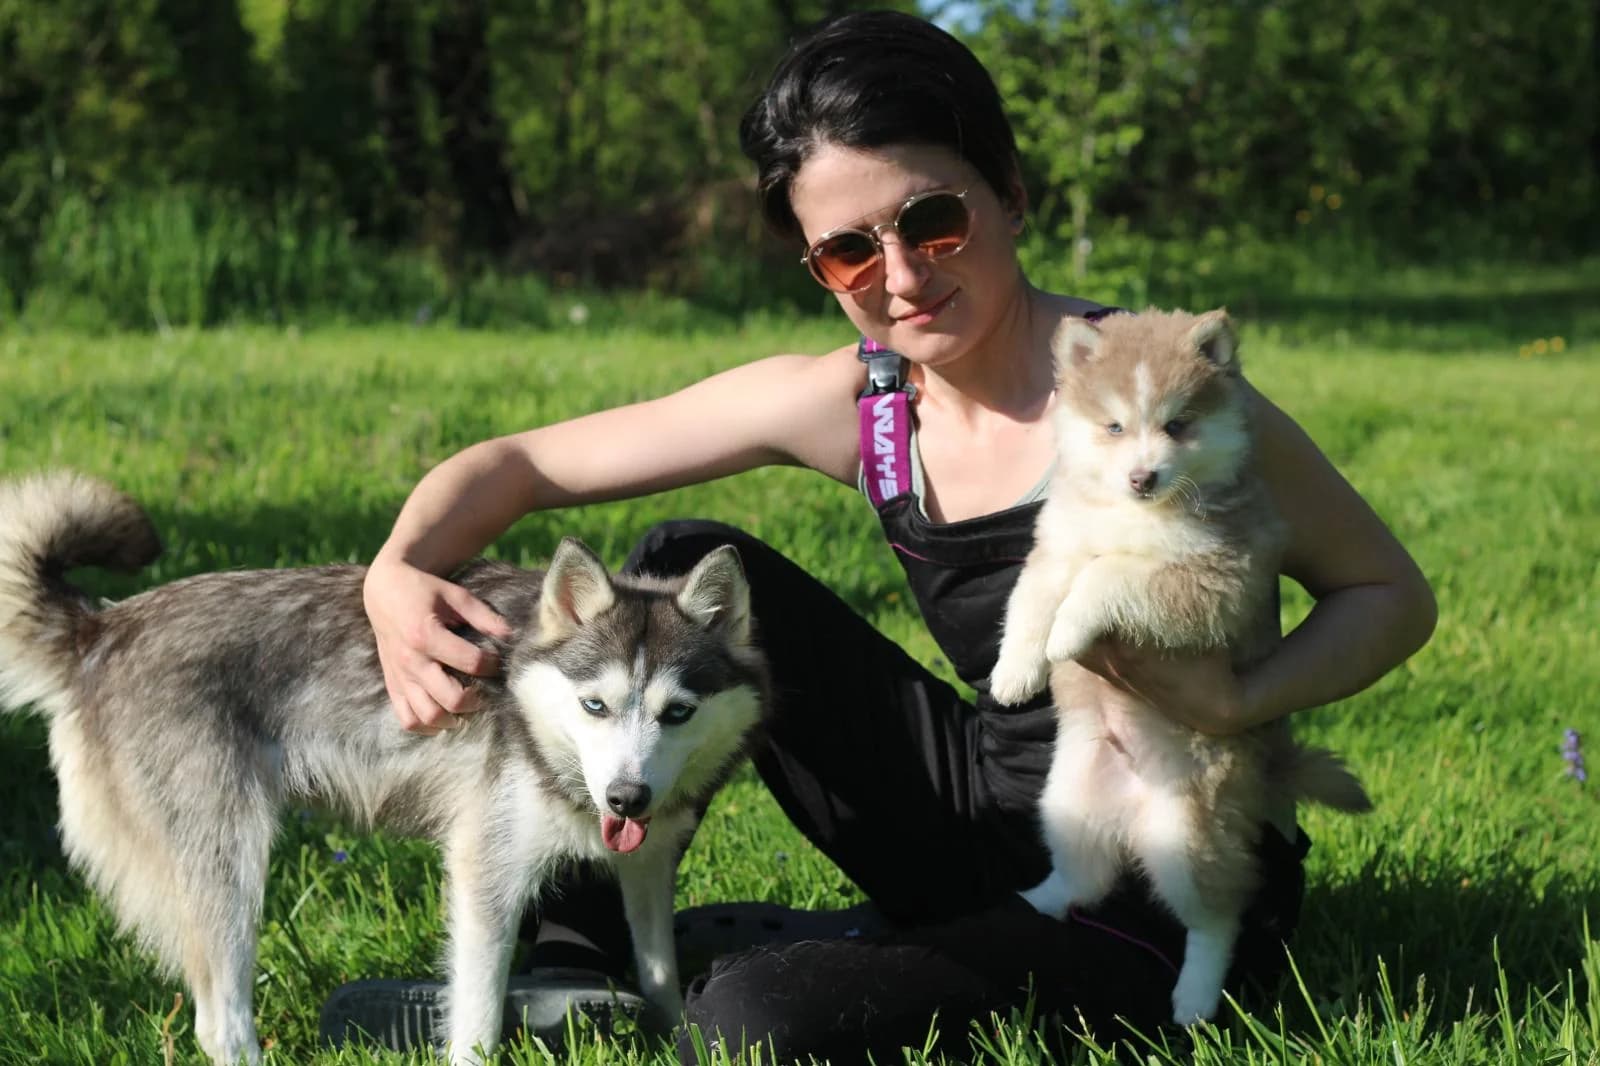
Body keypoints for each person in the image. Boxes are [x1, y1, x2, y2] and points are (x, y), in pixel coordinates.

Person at [321, 10, 1436, 1063]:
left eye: (931, 220)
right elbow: (519, 464)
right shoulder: (865, 404)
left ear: (1009, 193)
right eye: (849, 253)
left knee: (755, 1025)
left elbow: (1388, 592)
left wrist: (1241, 701)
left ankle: (840, 952)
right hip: (977, 797)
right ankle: (576, 962)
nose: (901, 278)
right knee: (683, 567)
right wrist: (394, 572)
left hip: (1156, 847)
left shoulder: (1146, 403)